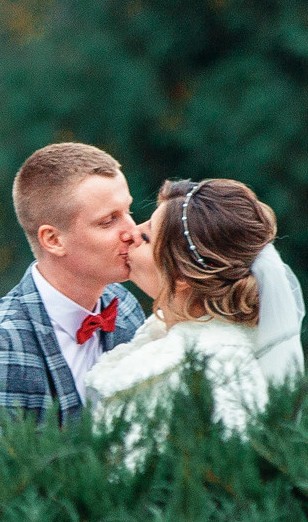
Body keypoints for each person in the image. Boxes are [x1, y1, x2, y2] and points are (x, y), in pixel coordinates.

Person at [0, 143, 150, 442]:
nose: (133, 231)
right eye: (108, 221)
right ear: (53, 240)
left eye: (128, 212)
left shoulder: (125, 307)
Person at [83, 178, 277, 461]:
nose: (130, 233)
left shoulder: (212, 368)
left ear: (181, 276)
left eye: (147, 237)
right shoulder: (163, 342)